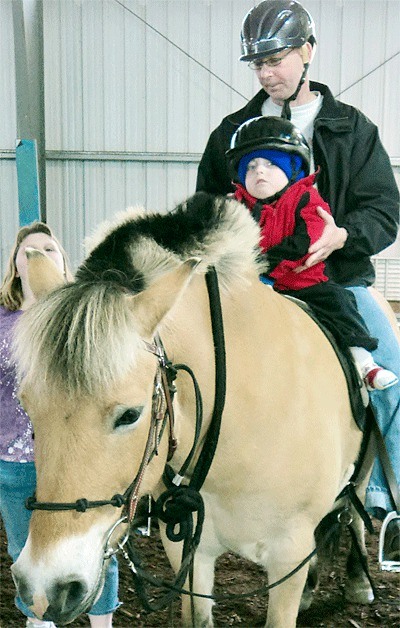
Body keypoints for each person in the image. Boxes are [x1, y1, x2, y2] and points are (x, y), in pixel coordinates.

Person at [196, 0, 400, 548]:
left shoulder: (353, 130)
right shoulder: (230, 133)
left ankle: (390, 501)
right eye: (259, 65)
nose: (268, 73)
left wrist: (342, 237)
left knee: (393, 368)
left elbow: (383, 210)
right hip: (254, 281)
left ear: (307, 53)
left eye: (278, 59)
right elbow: (206, 207)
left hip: (334, 281)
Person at [0, 222, 120, 628]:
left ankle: (102, 620)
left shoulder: (83, 321)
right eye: (27, 249)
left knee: (96, 545)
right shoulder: (1, 321)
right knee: (25, 547)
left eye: (49, 248)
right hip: (13, 457)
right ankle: (40, 620)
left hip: (74, 456)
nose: (37, 255)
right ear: (15, 264)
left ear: (63, 262)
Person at [226, 114, 398, 392]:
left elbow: (305, 242)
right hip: (246, 287)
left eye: (271, 164)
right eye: (251, 167)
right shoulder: (234, 205)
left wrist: (263, 268)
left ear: (293, 170)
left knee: (339, 303)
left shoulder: (306, 199)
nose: (259, 172)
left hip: (306, 283)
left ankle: (363, 362)